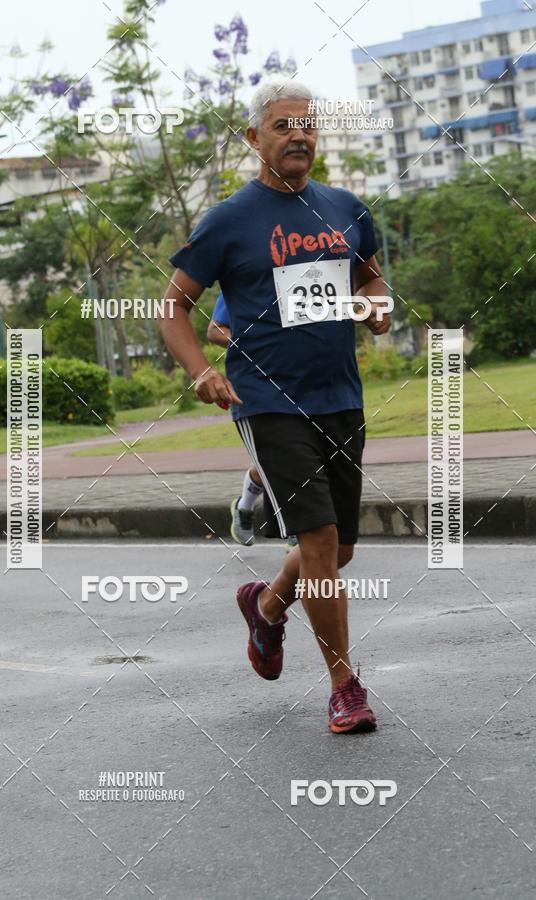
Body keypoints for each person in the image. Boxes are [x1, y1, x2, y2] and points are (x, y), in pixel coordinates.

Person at [159, 81, 391, 734]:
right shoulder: (228, 220)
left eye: (308, 126)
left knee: (339, 551)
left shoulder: (346, 208)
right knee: (316, 538)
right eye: (284, 125)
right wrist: (201, 369)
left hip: (341, 397)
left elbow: (371, 278)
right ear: (252, 138)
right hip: (267, 404)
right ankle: (345, 686)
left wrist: (378, 307)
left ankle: (265, 607)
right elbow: (173, 305)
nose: (299, 136)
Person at [207, 293, 264, 546]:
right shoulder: (243, 276)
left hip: (305, 381)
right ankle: (299, 534)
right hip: (258, 384)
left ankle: (244, 508)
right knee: (274, 460)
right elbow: (216, 330)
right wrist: (258, 344)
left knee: (302, 456)